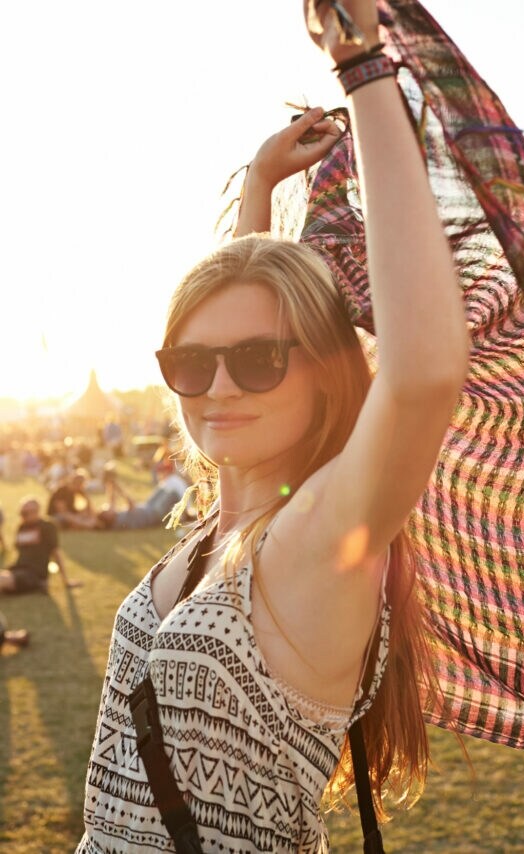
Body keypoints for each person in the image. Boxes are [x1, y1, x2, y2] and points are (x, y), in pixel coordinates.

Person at [76, 2, 469, 851]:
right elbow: (248, 323)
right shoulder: (230, 521)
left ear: (322, 374)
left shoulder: (317, 540)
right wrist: (258, 191)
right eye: (188, 363)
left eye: (256, 362)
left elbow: (425, 372)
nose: (216, 388)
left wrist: (360, 64)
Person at [0, 497, 82, 594]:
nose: (22, 516)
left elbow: (56, 552)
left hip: (34, 574)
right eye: (21, 513)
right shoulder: (22, 527)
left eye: (25, 513)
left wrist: (65, 580)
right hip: (17, 570)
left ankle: (40, 584)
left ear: (36, 511)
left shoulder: (47, 527)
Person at [96, 460, 190, 530]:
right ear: (108, 517)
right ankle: (186, 514)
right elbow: (131, 503)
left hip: (147, 506)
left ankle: (183, 511)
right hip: (154, 514)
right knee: (173, 494)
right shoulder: (120, 521)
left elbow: (111, 501)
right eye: (106, 510)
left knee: (162, 488)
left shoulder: (115, 517)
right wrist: (119, 489)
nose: (109, 507)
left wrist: (111, 484)